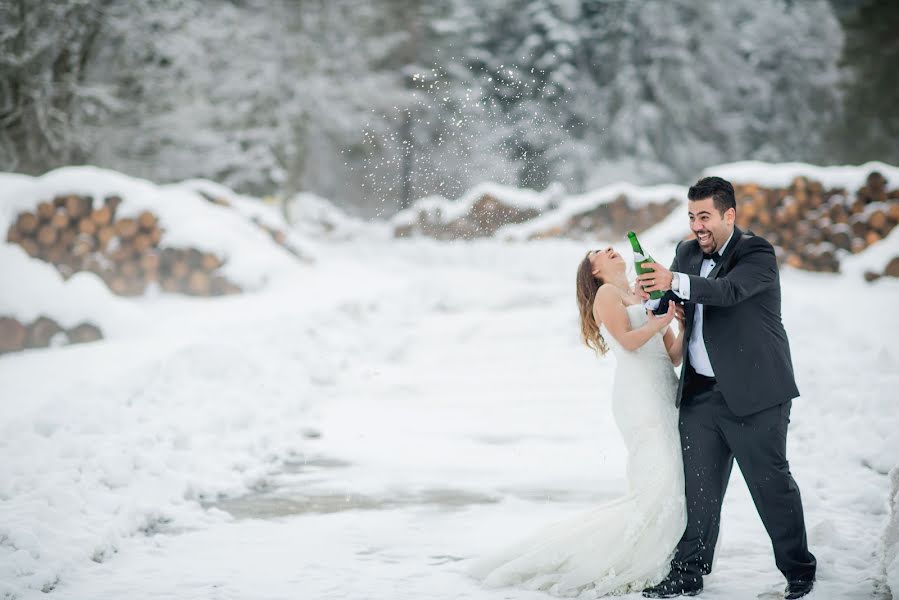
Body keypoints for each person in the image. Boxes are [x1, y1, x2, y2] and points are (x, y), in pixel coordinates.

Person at [467, 245, 688, 597]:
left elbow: (673, 356)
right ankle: (634, 559)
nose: (611, 250)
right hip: (640, 397)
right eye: (599, 252)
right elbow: (628, 343)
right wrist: (658, 322)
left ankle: (672, 559)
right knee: (655, 479)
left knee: (673, 477)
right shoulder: (606, 294)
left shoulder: (645, 293)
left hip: (666, 391)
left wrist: (681, 325)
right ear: (594, 271)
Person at [636, 176, 816, 599]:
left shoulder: (755, 252)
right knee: (699, 492)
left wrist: (673, 283)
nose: (697, 226)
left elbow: (728, 292)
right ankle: (688, 572)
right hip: (700, 395)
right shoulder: (685, 252)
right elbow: (672, 301)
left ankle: (799, 571)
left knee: (770, 486)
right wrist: (653, 295)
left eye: (705, 216)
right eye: (691, 216)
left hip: (755, 395)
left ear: (728, 215)